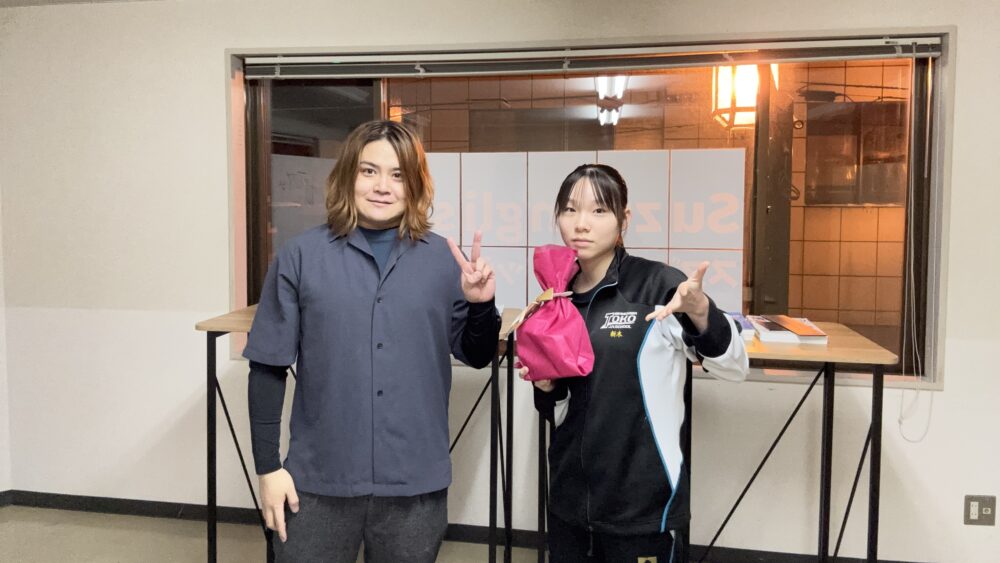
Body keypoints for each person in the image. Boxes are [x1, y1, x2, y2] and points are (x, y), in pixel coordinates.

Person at [244, 120, 501, 563]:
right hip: (316, 482)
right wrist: (268, 468)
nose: (383, 186)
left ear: (415, 185)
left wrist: (481, 306)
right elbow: (267, 367)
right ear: (348, 175)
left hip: (414, 485)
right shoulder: (300, 256)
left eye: (398, 175)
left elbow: (476, 355)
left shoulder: (444, 260)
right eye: (369, 171)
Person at [522, 163, 749, 562]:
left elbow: (734, 365)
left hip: (643, 512)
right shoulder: (557, 296)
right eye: (570, 209)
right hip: (569, 505)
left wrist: (701, 312)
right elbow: (561, 412)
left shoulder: (657, 286)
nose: (581, 224)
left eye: (599, 210)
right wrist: (548, 387)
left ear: (623, 219)